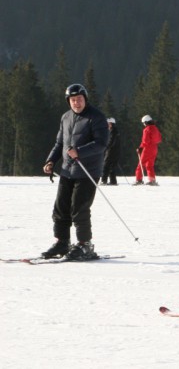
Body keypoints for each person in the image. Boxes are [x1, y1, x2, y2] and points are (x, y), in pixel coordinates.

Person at [42, 83, 109, 260]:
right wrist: (51, 160)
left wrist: (80, 151)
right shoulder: (65, 117)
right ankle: (62, 242)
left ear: (85, 99)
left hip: (88, 171)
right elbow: (59, 144)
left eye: (79, 99)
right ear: (68, 101)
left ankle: (85, 245)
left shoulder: (96, 117)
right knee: (61, 208)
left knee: (79, 209)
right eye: (73, 100)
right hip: (67, 171)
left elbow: (102, 143)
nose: (76, 103)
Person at [100, 117, 121, 185]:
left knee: (106, 165)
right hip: (115, 151)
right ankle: (113, 181)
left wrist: (105, 147)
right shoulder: (115, 131)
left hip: (111, 151)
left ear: (111, 124)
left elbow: (111, 141)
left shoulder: (113, 132)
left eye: (108, 124)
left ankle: (104, 180)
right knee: (112, 167)